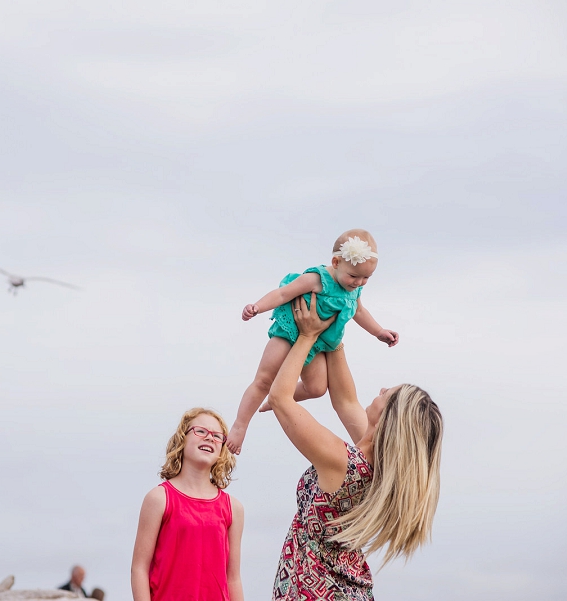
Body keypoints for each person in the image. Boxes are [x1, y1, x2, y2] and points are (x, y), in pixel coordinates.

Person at [269, 294, 442, 600]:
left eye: (388, 393)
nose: (380, 390)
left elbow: (281, 398)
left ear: (390, 418)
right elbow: (345, 401)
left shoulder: (342, 462)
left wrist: (308, 336)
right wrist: (336, 315)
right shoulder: (378, 465)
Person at [227, 228, 400, 454]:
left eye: (366, 278)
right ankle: (240, 425)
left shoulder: (352, 290)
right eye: (354, 276)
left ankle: (278, 398)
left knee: (317, 388)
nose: (359, 282)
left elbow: (359, 312)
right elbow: (282, 294)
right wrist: (257, 307)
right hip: (289, 333)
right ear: (336, 262)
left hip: (316, 342)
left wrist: (378, 332)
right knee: (263, 379)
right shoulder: (317, 279)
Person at [130, 408, 245, 601]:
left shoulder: (234, 508)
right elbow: (139, 568)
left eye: (217, 436)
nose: (209, 438)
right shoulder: (159, 498)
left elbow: (233, 578)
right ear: (183, 438)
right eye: (201, 431)